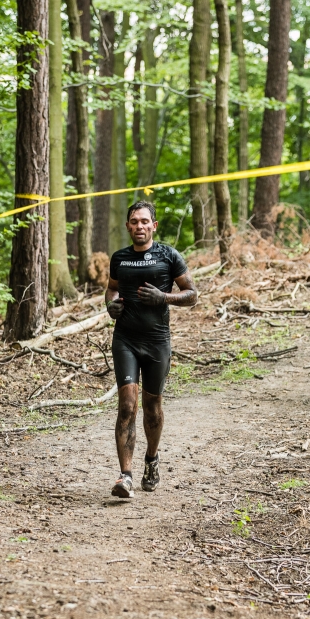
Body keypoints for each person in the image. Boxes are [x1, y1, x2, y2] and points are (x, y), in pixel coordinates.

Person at [105, 201, 198, 498]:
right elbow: (112, 289)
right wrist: (111, 305)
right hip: (126, 340)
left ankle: (151, 459)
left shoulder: (169, 255)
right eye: (134, 221)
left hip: (157, 342)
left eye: (145, 221)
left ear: (154, 226)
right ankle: (126, 477)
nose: (139, 226)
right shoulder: (119, 258)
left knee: (152, 408)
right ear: (128, 226)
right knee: (127, 406)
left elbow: (192, 294)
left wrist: (164, 297)